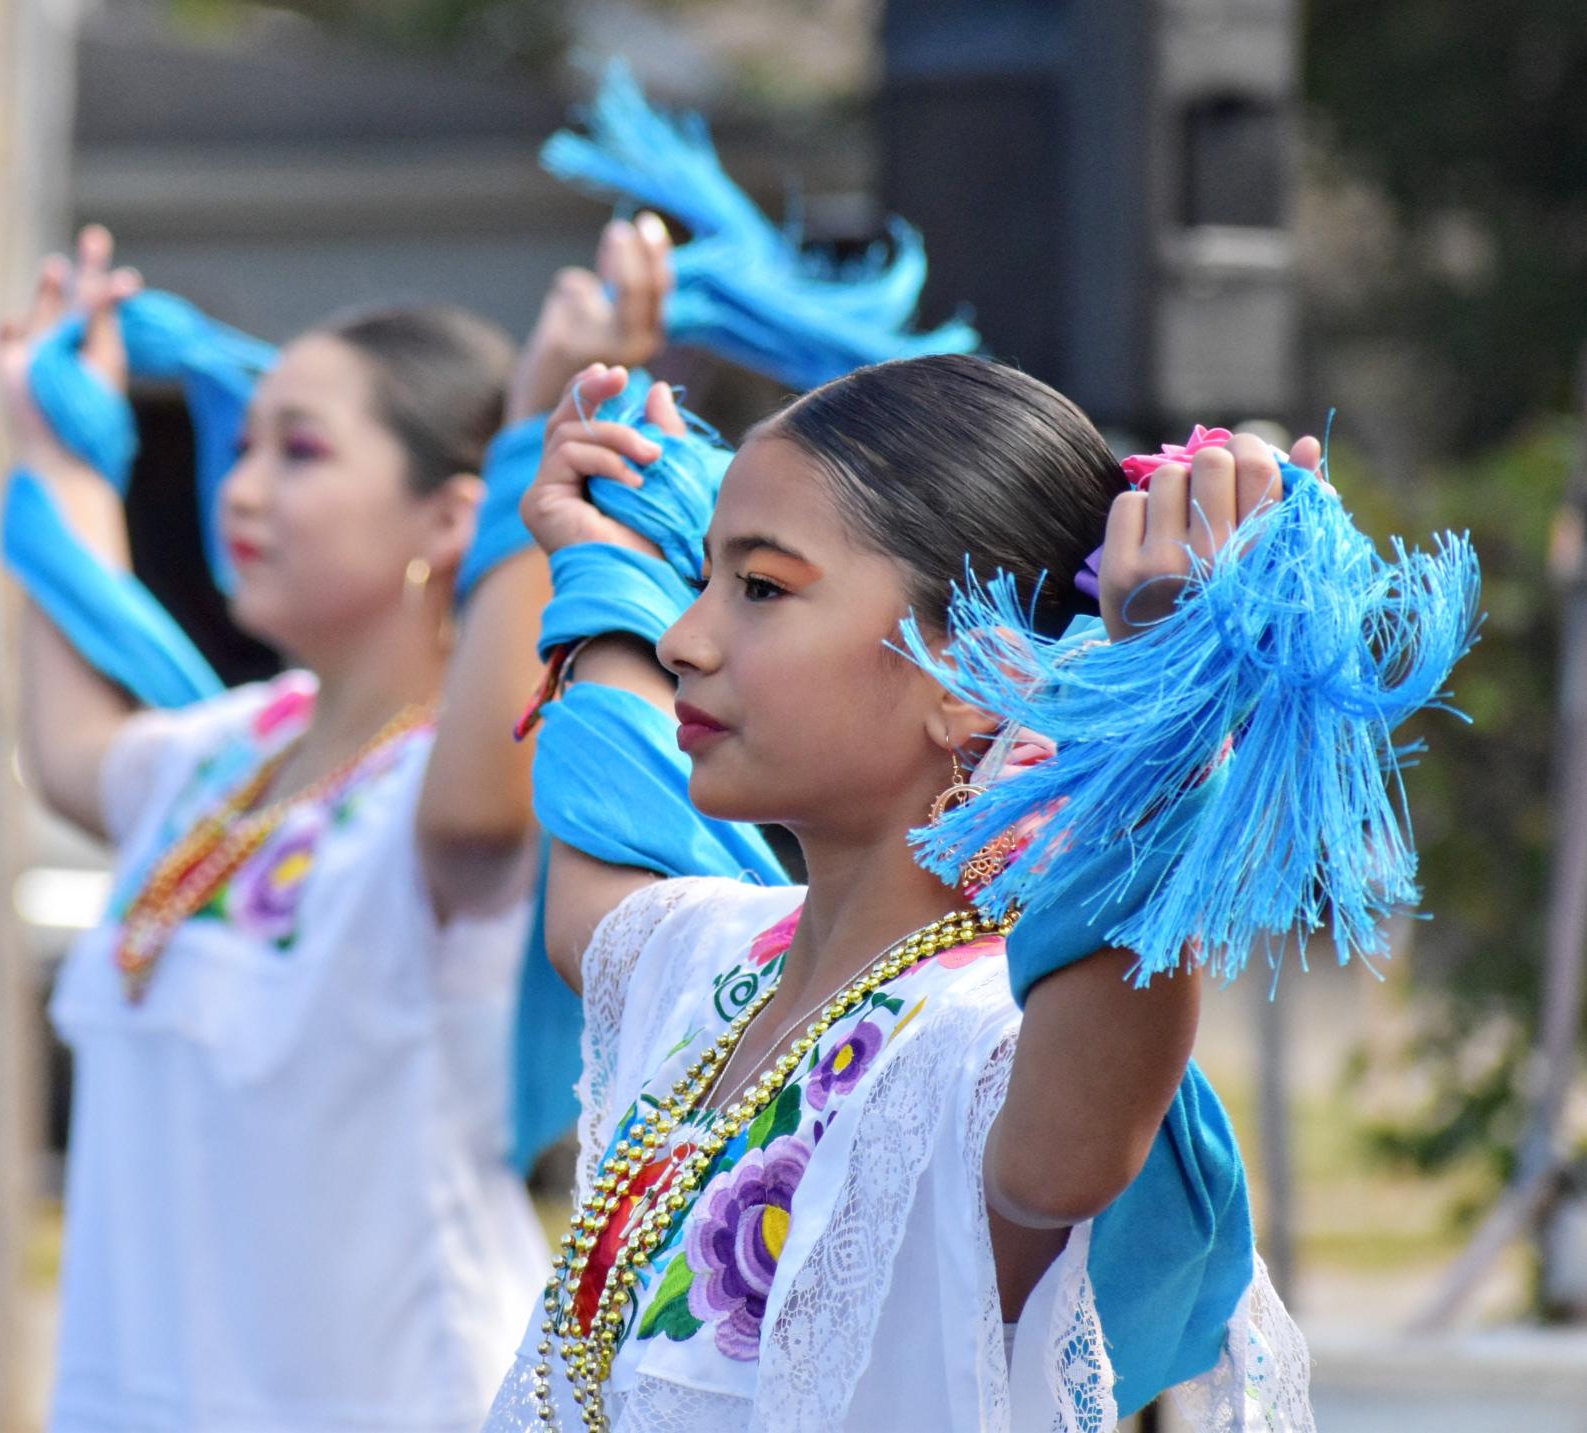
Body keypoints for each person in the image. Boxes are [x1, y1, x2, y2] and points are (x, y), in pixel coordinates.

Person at [486, 356, 1361, 1429]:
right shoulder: (711, 966)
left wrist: (1160, 706)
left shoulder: (979, 1039)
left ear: (968, 675)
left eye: (759, 586)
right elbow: (605, 849)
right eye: (700, 578)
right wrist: (602, 564)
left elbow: (1074, 1144)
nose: (684, 638)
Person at [0, 218, 672, 1433]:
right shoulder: (228, 755)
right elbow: (65, 751)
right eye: (245, 444)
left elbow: (473, 820)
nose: (240, 486)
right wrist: (62, 444)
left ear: (450, 521)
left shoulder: (454, 776)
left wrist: (540, 448)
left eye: (299, 451)